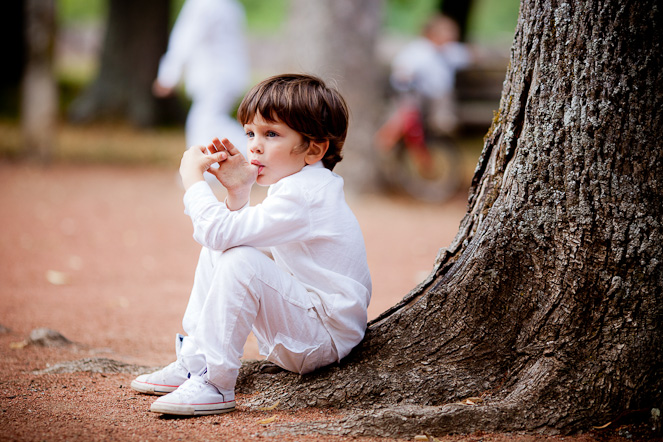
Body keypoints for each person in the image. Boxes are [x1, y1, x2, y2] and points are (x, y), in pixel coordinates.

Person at [131, 74, 372, 416]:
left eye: (271, 134)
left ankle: (215, 383)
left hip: (322, 339)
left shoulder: (305, 195)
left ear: (314, 148)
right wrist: (238, 192)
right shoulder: (302, 186)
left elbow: (221, 232)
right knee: (228, 248)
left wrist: (192, 181)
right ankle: (195, 362)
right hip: (307, 326)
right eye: (250, 133)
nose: (254, 145)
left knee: (240, 258)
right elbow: (228, 235)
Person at [153, 0, 249, 153]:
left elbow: (185, 39)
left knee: (203, 122)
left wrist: (168, 76)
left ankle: (251, 153)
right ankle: (206, 168)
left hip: (215, 76)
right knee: (207, 122)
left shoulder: (203, 4)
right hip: (228, 75)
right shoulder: (230, 5)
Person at [385, 14, 471, 138]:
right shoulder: (418, 50)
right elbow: (402, 71)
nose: (452, 36)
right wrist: (407, 76)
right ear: (432, 33)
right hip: (418, 95)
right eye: (447, 32)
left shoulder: (450, 51)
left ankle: (440, 128)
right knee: (406, 113)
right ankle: (390, 141)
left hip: (441, 97)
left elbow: (468, 55)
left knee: (443, 113)